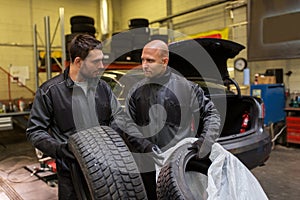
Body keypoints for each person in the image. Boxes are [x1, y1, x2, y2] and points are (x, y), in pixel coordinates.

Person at [26, 34, 156, 200]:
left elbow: (120, 120)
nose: (102, 66)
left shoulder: (102, 88)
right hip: (72, 173)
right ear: (78, 62)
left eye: (102, 60)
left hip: (108, 170)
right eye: (96, 62)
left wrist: (143, 145)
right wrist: (61, 150)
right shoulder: (50, 91)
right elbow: (35, 131)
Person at [125, 40, 221, 199]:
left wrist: (205, 141)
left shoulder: (187, 88)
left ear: (164, 61)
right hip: (147, 165)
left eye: (150, 60)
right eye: (142, 60)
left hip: (178, 166)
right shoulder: (136, 91)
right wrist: (144, 145)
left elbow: (212, 114)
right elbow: (127, 124)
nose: (144, 65)